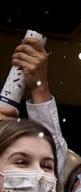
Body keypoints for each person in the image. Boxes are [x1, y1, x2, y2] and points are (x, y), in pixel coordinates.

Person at [2, 34, 69, 176]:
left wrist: (40, 88)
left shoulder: (49, 185)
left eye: (46, 166)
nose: (38, 174)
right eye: (21, 162)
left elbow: (56, 164)